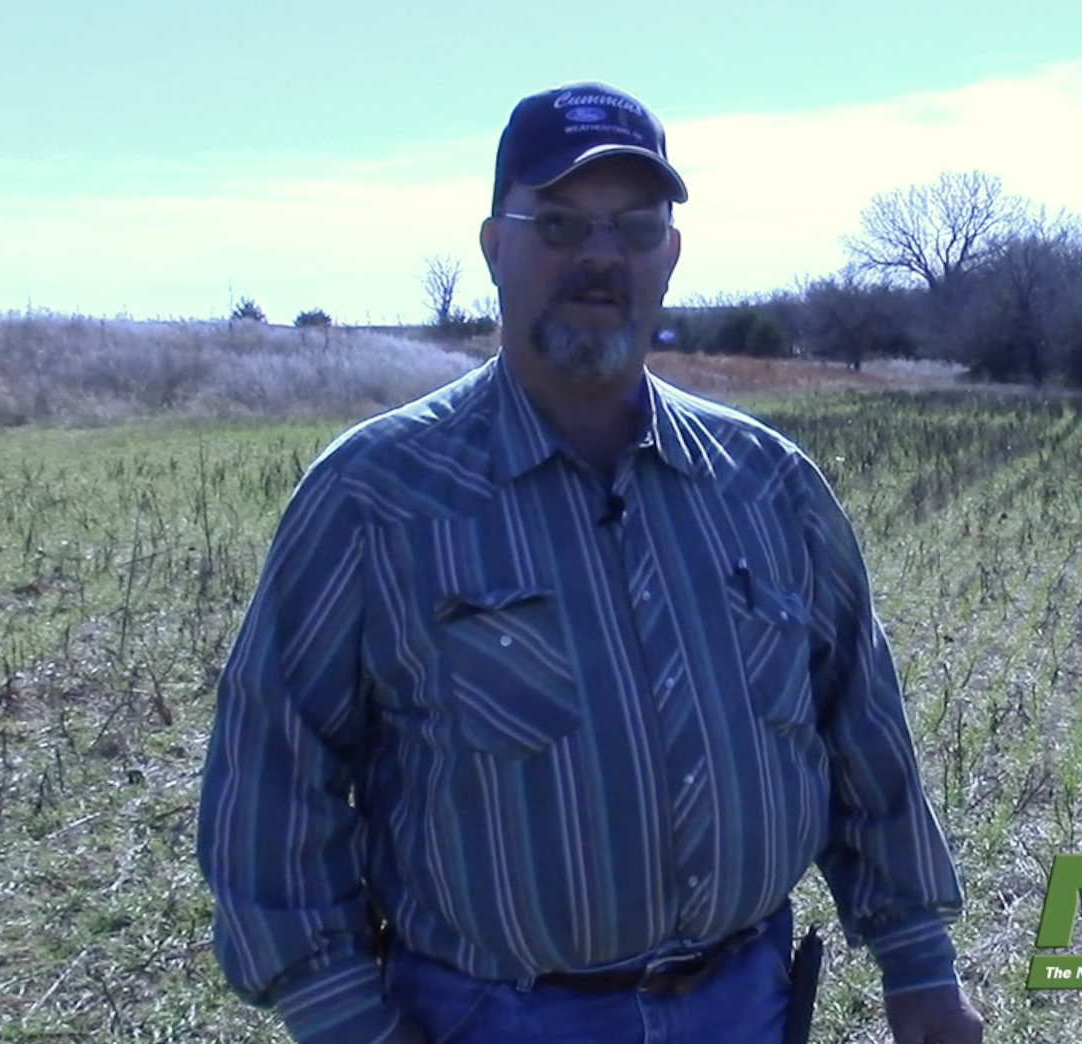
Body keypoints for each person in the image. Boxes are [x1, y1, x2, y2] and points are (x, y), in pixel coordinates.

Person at [198, 81, 984, 1044]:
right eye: (559, 224)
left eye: (635, 227)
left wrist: (919, 970)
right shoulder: (374, 497)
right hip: (491, 1018)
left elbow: (862, 738)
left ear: (671, 253)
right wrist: (343, 1020)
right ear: (495, 247)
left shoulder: (767, 484)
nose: (601, 256)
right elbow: (271, 778)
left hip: (744, 1002)